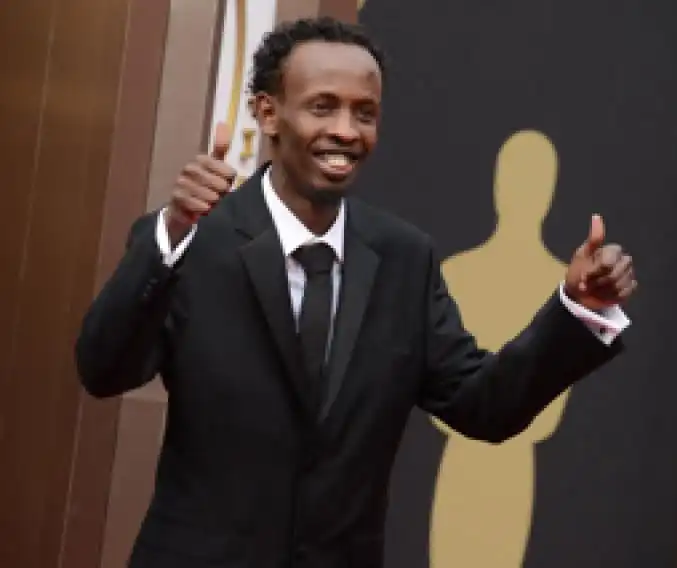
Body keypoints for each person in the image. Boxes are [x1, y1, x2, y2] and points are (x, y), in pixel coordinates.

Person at [75, 17, 637, 568]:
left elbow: (482, 406)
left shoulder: (403, 259)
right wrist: (172, 231)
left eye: (364, 113)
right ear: (267, 112)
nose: (347, 130)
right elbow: (105, 369)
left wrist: (575, 314)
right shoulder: (192, 240)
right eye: (323, 106)